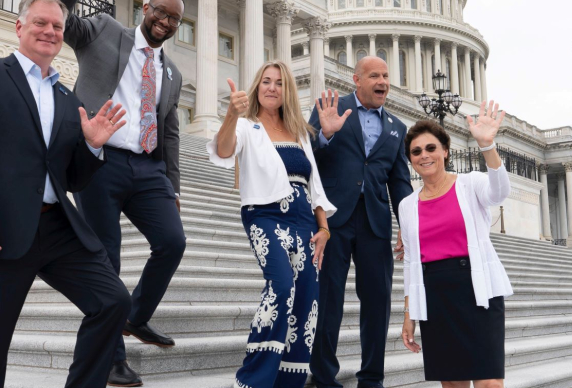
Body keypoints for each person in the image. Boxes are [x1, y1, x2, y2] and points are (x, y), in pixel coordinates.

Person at [0, 0, 131, 387]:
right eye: (40, 23)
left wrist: (93, 145)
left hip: (57, 229)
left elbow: (72, 179)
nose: (49, 31)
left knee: (112, 302)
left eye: (57, 26)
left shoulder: (67, 98)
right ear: (20, 27)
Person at [55, 0, 186, 387]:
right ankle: (112, 359)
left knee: (173, 242)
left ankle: (135, 315)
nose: (165, 21)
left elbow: (169, 132)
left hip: (148, 168)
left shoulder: (173, 72)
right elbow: (62, 22)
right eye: (160, 12)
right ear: (145, 10)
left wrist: (172, 187)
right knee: (106, 260)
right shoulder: (107, 31)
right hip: (100, 160)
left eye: (174, 19)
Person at [208, 61, 336, 388]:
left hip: (304, 220)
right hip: (264, 215)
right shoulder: (245, 126)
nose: (272, 87)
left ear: (286, 91)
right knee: (281, 286)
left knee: (307, 299)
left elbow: (314, 185)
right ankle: (252, 378)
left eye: (279, 83)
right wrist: (230, 114)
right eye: (266, 81)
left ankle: (288, 380)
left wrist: (323, 228)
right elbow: (223, 151)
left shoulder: (299, 132)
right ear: (257, 86)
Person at [308, 56, 414, 388]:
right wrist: (324, 135)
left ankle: (372, 378)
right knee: (327, 299)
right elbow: (308, 155)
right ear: (357, 79)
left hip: (375, 223)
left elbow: (400, 182)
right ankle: (324, 377)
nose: (382, 81)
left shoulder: (398, 127)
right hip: (333, 221)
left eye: (386, 75)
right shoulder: (331, 107)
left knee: (378, 301)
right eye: (374, 75)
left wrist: (407, 227)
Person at [399, 103, 513, 388]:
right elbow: (411, 262)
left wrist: (487, 145)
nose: (424, 155)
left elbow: (500, 193)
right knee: (452, 385)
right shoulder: (407, 205)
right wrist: (409, 315)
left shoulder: (470, 184)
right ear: (410, 159)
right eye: (416, 151)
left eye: (431, 148)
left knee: (490, 383)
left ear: (445, 151)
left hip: (478, 291)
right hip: (436, 296)